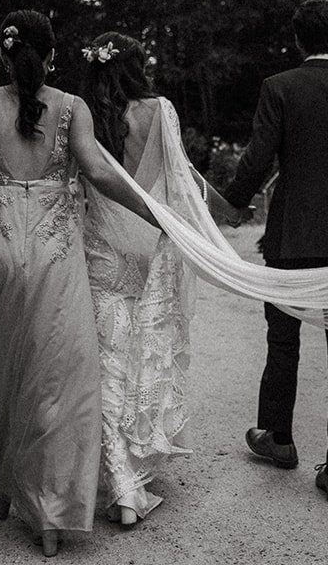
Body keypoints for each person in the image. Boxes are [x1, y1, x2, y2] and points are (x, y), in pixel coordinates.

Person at [0, 10, 160, 558]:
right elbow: (102, 174)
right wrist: (154, 210)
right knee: (55, 377)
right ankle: (53, 515)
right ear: (52, 55)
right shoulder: (72, 107)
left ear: (5, 57)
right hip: (54, 247)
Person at [225, 0, 328, 505]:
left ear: (297, 39)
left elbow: (257, 158)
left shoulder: (280, 88)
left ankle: (279, 438)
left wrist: (230, 204)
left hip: (291, 236)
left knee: (283, 341)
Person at [78, 32, 239, 526]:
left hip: (99, 243)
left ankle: (119, 481)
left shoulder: (79, 114)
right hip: (148, 240)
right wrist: (224, 210)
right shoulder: (159, 110)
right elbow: (183, 176)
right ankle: (132, 470)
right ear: (135, 66)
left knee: (107, 357)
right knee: (141, 350)